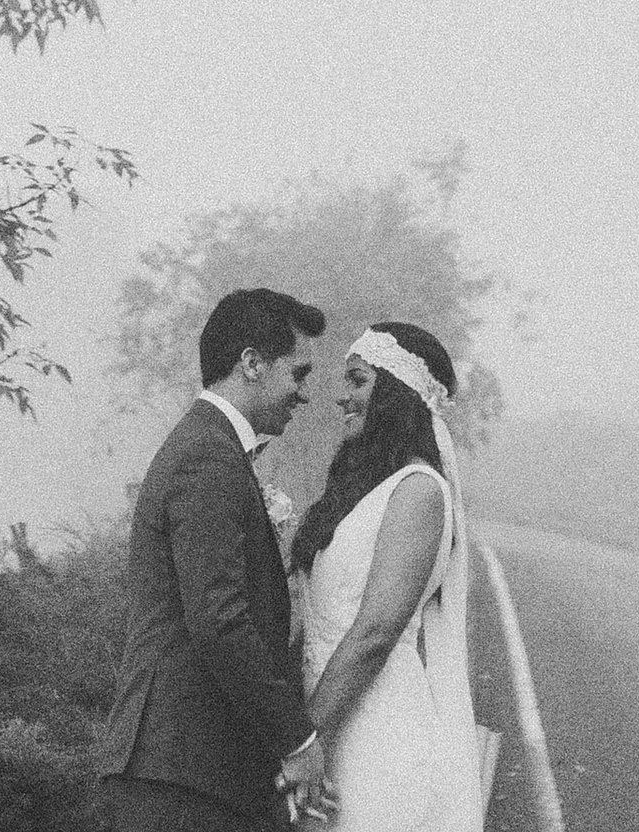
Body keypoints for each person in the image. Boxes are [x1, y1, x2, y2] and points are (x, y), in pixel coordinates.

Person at [102, 288, 334, 832]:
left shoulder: (212, 448)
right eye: (297, 374)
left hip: (191, 769)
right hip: (178, 773)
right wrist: (297, 740)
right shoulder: (208, 456)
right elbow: (220, 621)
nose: (303, 395)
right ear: (252, 363)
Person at [287, 324, 484, 832]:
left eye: (357, 381)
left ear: (396, 393)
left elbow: (375, 632)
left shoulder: (418, 491)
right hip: (332, 729)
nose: (342, 396)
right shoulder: (366, 492)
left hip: (379, 741)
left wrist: (307, 739)